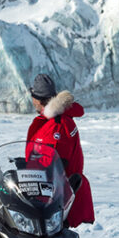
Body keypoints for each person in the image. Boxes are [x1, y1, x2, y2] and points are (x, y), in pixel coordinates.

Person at [26, 73, 94, 227]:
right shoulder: (52, 121)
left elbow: (55, 166)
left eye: (33, 96)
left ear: (37, 98)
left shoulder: (57, 125)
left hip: (57, 202)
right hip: (54, 198)